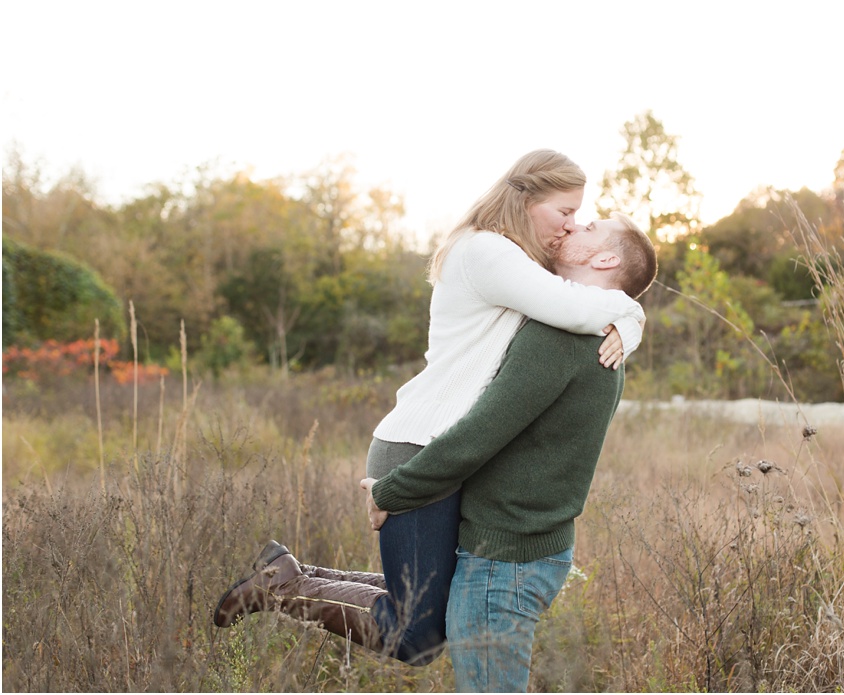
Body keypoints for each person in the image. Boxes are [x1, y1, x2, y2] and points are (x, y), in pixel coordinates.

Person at [212, 151, 646, 666]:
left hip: (444, 449)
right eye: (565, 212)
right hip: (421, 445)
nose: (571, 225)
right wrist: (633, 314)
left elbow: (583, 297)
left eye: (580, 218)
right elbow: (576, 307)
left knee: (429, 616)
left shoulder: (514, 260)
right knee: (414, 637)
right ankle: (285, 586)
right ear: (527, 200)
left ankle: (289, 575)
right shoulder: (488, 252)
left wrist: (628, 317)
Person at [364, 214, 657, 691]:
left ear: (605, 258)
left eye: (590, 226)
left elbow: (481, 433)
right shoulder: (600, 333)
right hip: (529, 550)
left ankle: (286, 585)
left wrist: (392, 492)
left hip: (504, 562)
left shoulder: (560, 335)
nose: (573, 225)